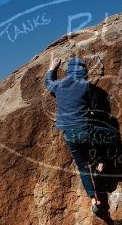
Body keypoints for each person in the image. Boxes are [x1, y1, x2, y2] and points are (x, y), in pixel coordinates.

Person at [44, 55, 109, 213]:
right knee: (108, 135)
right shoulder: (85, 85)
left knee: (82, 166)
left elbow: (48, 83)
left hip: (69, 135)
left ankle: (94, 199)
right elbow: (94, 108)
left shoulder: (59, 85)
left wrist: (52, 68)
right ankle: (100, 162)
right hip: (85, 130)